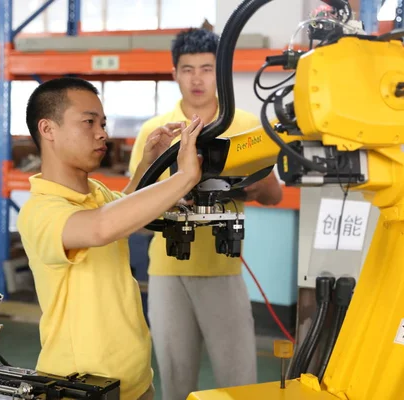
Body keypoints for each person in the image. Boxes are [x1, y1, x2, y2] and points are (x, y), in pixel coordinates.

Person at [16, 77, 206, 400]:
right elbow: (100, 228)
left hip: (135, 383)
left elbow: (122, 211)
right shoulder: (40, 211)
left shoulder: (96, 194)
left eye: (102, 123)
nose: (102, 133)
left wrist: (150, 163)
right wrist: (186, 176)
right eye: (88, 122)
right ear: (48, 129)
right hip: (79, 389)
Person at [129, 28, 283, 400]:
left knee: (239, 382)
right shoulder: (156, 131)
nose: (197, 79)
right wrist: (152, 158)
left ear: (221, 74)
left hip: (222, 270)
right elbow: (129, 203)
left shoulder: (245, 126)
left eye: (206, 68)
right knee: (175, 382)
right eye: (187, 69)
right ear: (174, 74)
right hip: (167, 273)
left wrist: (242, 182)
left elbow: (275, 194)